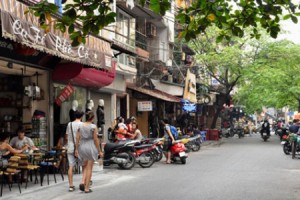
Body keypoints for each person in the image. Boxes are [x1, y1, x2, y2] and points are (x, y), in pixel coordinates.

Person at [75, 111, 102, 193]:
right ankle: (87, 188)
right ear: (93, 118)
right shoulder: (93, 126)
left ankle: (83, 182)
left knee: (85, 166)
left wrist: (76, 149)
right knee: (90, 167)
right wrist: (99, 151)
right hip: (90, 146)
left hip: (82, 147)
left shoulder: (80, 125)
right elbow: (95, 139)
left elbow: (77, 138)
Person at [65, 110, 83, 192]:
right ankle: (83, 183)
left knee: (70, 166)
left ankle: (71, 185)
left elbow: (66, 136)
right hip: (80, 147)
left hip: (71, 147)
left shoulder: (70, 124)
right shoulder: (82, 125)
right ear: (81, 117)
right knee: (84, 166)